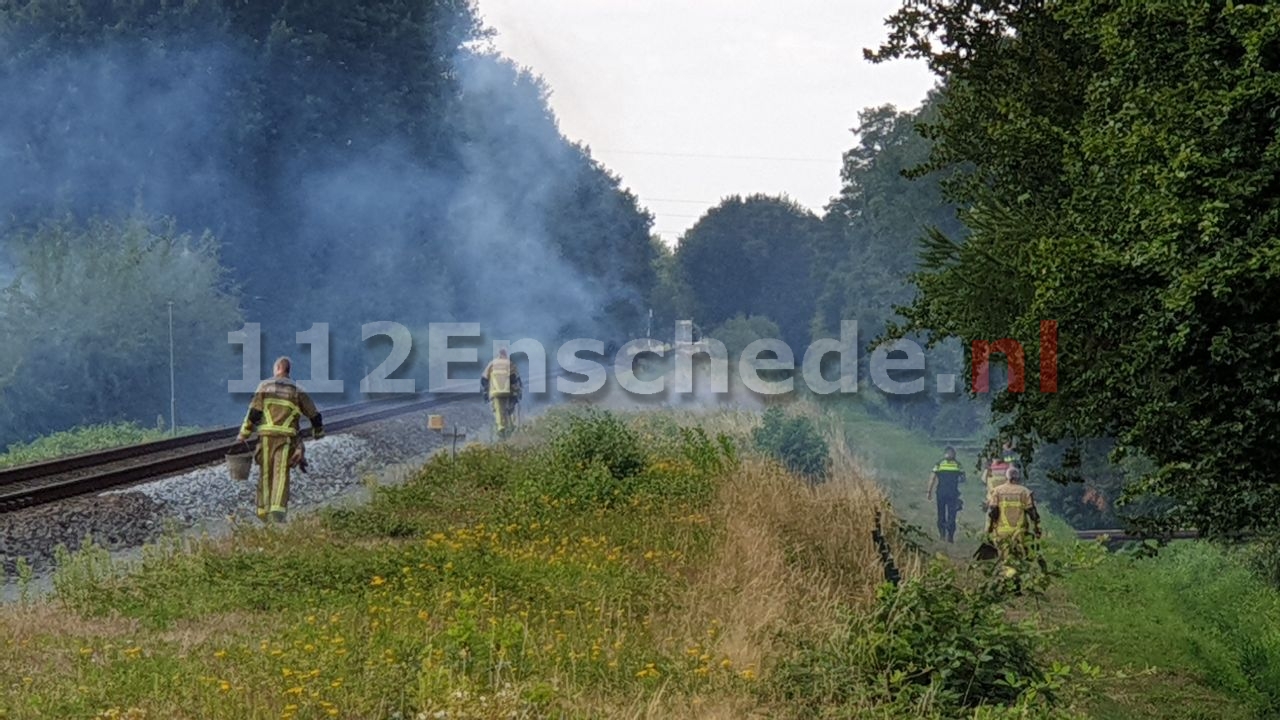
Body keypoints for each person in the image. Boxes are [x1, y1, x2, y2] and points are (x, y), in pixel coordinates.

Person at [236, 356, 323, 522]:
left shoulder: (264, 386)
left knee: (265, 472)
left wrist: (244, 434)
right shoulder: (297, 390)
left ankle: (262, 509)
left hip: (266, 436)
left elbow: (253, 413)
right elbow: (314, 415)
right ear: (288, 371)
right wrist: (318, 433)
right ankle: (278, 510)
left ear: (277, 369)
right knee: (280, 472)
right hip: (286, 438)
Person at [985, 466, 1041, 578]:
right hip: (1020, 533)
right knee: (1019, 557)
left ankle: (1007, 582)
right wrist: (1037, 529)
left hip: (1001, 532)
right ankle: (1015, 583)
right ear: (1018, 478)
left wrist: (990, 528)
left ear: (1006, 477)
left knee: (1005, 558)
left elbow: (993, 512)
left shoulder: (997, 491)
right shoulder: (1025, 492)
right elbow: (1032, 513)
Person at [926, 446, 966, 543]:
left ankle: (942, 534)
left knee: (941, 514)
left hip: (941, 493)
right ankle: (950, 536)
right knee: (952, 515)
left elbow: (932, 478)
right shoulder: (958, 465)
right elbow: (963, 479)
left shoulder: (939, 464)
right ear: (954, 454)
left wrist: (929, 492)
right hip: (953, 493)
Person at [481, 348, 522, 439]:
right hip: (508, 392)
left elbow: (484, 379)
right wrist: (518, 392)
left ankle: (502, 431)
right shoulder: (510, 364)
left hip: (495, 393)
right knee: (510, 410)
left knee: (499, 411)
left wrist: (485, 392)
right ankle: (511, 429)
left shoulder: (491, 364)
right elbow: (515, 379)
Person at [982, 441, 1019, 508]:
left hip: (992, 500)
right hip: (1006, 500)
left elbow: (984, 480)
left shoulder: (989, 469)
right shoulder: (1009, 468)